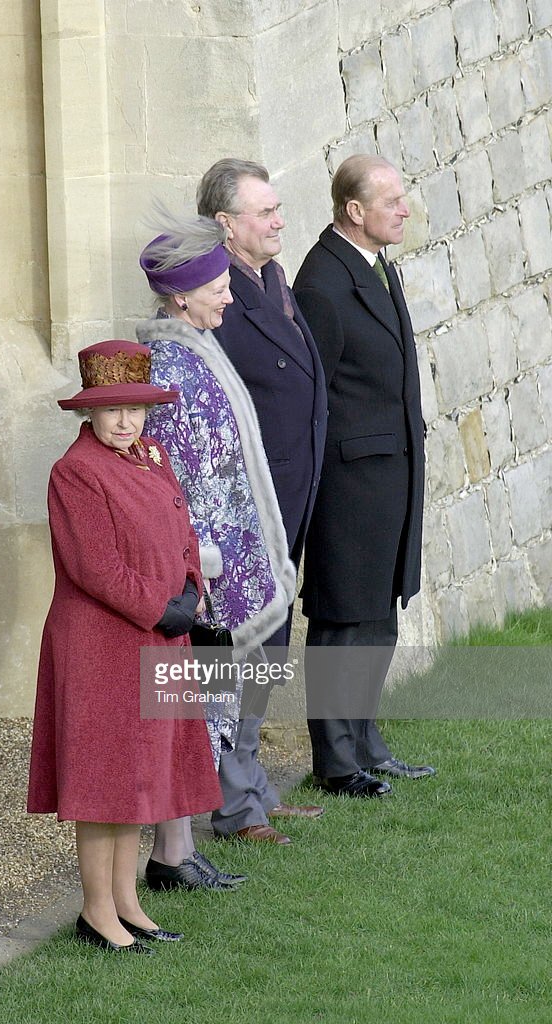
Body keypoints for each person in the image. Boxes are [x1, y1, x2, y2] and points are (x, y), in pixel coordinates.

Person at [27, 340, 223, 952]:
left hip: (158, 637)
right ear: (89, 412)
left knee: (141, 773)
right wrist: (160, 607)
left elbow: (182, 529)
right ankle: (96, 912)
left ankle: (129, 902)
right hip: (101, 645)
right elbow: (95, 567)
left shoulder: (152, 455)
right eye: (112, 410)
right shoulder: (76, 473)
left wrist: (192, 588)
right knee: (104, 779)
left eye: (135, 408)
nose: (125, 421)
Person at [138, 208, 323, 850]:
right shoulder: (169, 367)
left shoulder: (200, 348)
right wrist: (203, 563)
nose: (227, 292)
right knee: (205, 692)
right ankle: (209, 825)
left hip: (234, 554)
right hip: (208, 565)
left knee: (235, 683)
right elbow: (174, 480)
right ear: (182, 295)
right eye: (217, 284)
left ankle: (238, 803)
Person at [293, 154, 436, 797]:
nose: (404, 208)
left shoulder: (375, 266)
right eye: (392, 200)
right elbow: (309, 397)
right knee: (342, 617)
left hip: (390, 475)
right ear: (355, 211)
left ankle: (366, 740)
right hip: (348, 486)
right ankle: (336, 758)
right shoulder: (322, 282)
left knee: (378, 613)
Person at [195, 159, 327, 838]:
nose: (279, 221)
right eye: (265, 212)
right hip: (246, 512)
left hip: (289, 499)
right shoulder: (215, 296)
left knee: (269, 644)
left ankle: (253, 790)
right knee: (237, 650)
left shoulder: (270, 278)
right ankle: (232, 804)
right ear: (226, 224)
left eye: (277, 209)